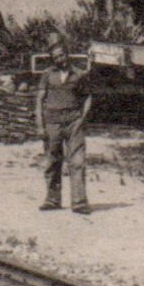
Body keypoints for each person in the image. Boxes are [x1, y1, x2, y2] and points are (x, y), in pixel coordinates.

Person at [35, 31, 92, 214]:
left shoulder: (79, 74)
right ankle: (52, 199)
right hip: (52, 122)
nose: (60, 59)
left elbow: (88, 97)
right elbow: (39, 100)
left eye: (62, 55)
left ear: (67, 53)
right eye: (56, 57)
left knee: (77, 161)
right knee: (52, 161)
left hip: (73, 122)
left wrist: (82, 119)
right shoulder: (47, 74)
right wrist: (40, 125)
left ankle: (79, 202)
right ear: (53, 59)